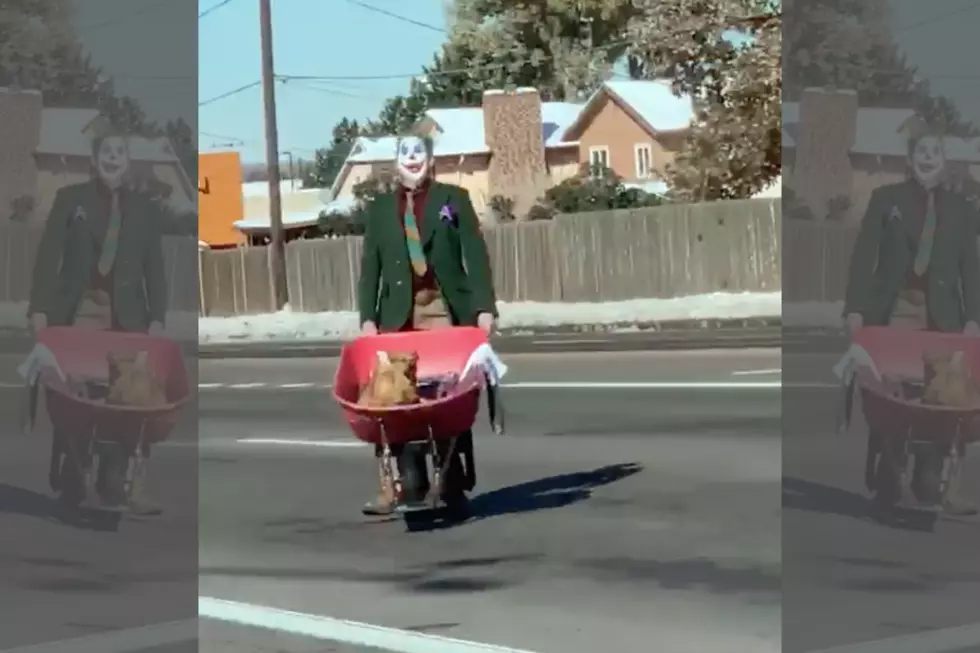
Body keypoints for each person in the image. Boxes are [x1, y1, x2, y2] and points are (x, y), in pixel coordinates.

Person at [27, 122, 181, 515]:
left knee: (127, 399)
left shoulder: (144, 210)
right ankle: (73, 469)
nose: (113, 158)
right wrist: (40, 310)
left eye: (120, 153)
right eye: (106, 152)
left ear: (128, 162)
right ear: (95, 160)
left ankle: (119, 479)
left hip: (126, 317)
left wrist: (157, 318)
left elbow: (154, 269)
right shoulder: (70, 199)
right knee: (77, 396)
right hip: (79, 312)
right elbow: (49, 258)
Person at [844, 117, 980, 516]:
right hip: (897, 308)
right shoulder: (887, 200)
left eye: (934, 153)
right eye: (921, 152)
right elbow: (864, 256)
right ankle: (889, 467)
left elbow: (971, 266)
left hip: (943, 315)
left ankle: (934, 475)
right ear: (910, 159)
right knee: (895, 392)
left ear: (944, 161)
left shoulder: (960, 209)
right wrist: (855, 308)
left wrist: (974, 316)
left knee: (944, 397)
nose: (927, 159)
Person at [357, 134, 498, 516]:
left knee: (446, 398)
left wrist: (484, 307)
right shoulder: (381, 208)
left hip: (442, 306)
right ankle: (398, 484)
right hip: (396, 314)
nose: (413, 160)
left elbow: (475, 254)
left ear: (431, 159)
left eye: (420, 153)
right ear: (396, 161)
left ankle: (452, 479)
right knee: (393, 399)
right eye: (406, 153)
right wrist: (367, 317)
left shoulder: (454, 199)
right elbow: (371, 265)